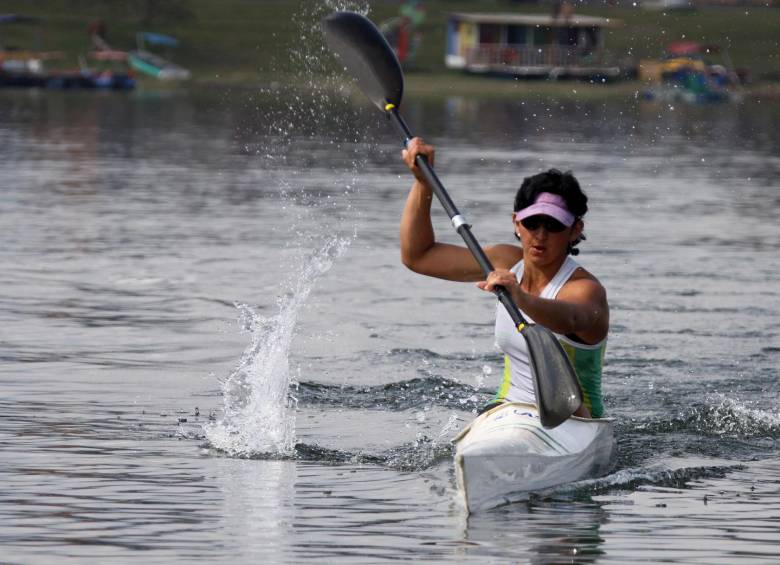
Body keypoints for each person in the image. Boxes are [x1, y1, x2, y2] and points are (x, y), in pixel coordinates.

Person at [400, 138, 609, 418]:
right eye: (532, 223)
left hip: (574, 420)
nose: (541, 234)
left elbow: (570, 319)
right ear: (516, 222)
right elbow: (418, 256)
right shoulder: (505, 262)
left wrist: (521, 297)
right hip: (506, 411)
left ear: (574, 230)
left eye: (554, 225)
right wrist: (423, 184)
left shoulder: (585, 289)